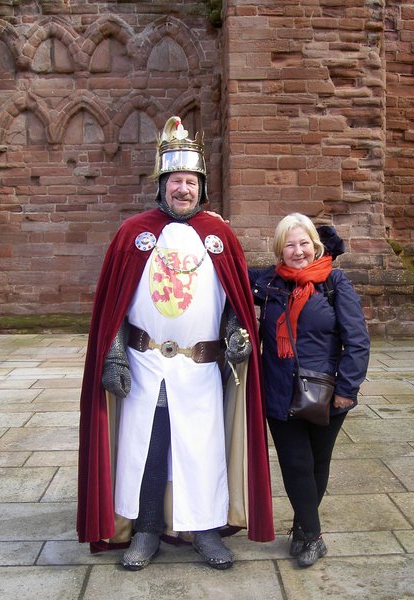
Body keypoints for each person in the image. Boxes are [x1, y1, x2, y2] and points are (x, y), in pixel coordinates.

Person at [76, 116, 274, 571]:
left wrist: (234, 335)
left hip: (201, 368)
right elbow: (114, 304)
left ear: (201, 188)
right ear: (161, 185)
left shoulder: (220, 235)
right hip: (144, 363)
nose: (182, 189)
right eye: (174, 181)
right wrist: (111, 354)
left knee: (201, 451)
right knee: (147, 448)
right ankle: (145, 531)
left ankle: (204, 530)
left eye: (190, 181)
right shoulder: (133, 233)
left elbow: (233, 301)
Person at [249, 213, 370, 568]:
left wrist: (347, 389)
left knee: (318, 462)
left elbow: (357, 340)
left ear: (315, 246)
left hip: (327, 392)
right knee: (295, 463)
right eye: (290, 244)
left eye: (304, 243)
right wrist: (215, 232)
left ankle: (303, 529)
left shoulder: (334, 282)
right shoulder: (268, 283)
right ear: (279, 249)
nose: (298, 251)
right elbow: (228, 272)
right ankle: (313, 537)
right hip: (279, 391)